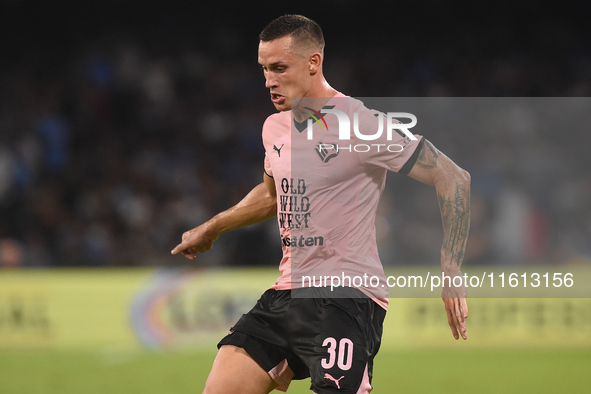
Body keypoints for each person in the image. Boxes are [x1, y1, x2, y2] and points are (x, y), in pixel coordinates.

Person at [172, 15, 470, 394]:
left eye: (279, 68)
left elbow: (453, 177)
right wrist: (213, 226)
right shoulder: (274, 127)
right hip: (286, 294)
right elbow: (273, 195)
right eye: (264, 69)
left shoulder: (361, 124)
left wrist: (452, 267)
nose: (268, 80)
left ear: (313, 63)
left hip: (345, 298)